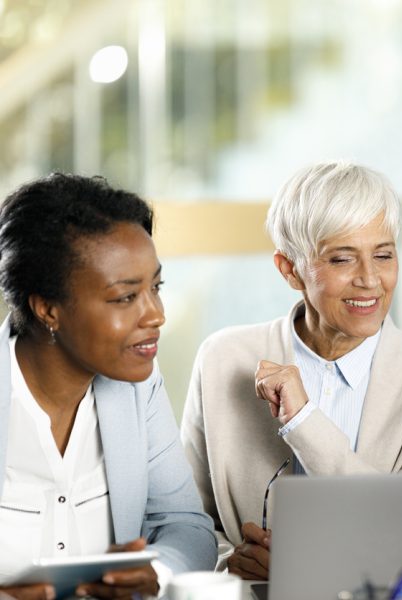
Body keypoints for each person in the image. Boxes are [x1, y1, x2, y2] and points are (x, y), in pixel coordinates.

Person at [181, 160, 402, 579]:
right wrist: (233, 564)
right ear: (290, 270)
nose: (370, 280)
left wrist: (303, 420)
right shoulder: (222, 358)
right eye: (342, 260)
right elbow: (186, 518)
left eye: (384, 255)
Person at [0, 174, 216, 599]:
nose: (156, 315)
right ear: (47, 309)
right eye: (124, 297)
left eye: (156, 288)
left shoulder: (137, 387)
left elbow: (185, 523)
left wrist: (156, 570)